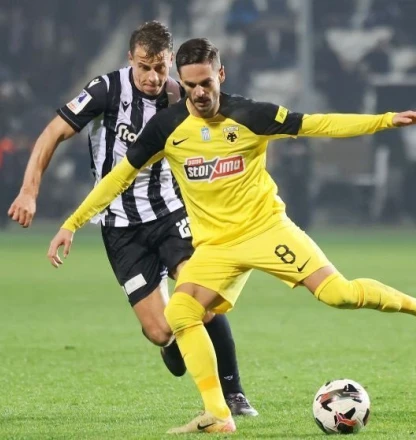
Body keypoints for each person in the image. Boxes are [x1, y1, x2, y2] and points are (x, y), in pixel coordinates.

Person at [47, 38, 416, 435]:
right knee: (180, 313)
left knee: (340, 295)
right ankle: (219, 414)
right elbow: (118, 178)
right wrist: (72, 224)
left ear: (221, 74)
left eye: (206, 83)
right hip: (215, 247)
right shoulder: (167, 127)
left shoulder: (251, 115)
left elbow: (317, 123)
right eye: (189, 85)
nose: (199, 93)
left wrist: (386, 120)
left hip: (266, 230)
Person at [8, 25, 258, 417]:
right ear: (130, 59)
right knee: (160, 331)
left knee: (203, 299)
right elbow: (52, 133)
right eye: (144, 67)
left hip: (171, 213)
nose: (153, 77)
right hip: (121, 227)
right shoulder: (105, 91)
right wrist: (29, 190)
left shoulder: (181, 95)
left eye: (160, 67)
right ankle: (173, 344)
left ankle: (234, 394)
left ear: (170, 61)